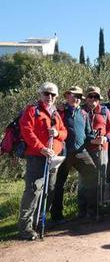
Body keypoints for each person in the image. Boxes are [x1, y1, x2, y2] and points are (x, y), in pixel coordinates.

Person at [18, 82, 67, 240]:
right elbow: (27, 131)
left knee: (49, 190)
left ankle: (39, 222)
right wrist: (41, 148)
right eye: (47, 93)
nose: (50, 97)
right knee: (33, 191)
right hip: (37, 157)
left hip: (53, 158)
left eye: (53, 95)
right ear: (41, 94)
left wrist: (57, 133)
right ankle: (25, 228)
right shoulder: (32, 110)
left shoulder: (56, 113)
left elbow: (64, 132)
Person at [51, 86, 97, 223]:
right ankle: (57, 216)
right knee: (58, 184)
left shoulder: (83, 114)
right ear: (67, 96)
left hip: (80, 152)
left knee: (93, 175)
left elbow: (88, 134)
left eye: (78, 97)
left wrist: (96, 139)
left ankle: (91, 212)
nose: (76, 99)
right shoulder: (59, 112)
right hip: (63, 153)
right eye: (73, 95)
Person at [83, 86, 110, 207]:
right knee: (85, 179)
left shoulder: (105, 111)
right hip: (84, 150)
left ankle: (101, 204)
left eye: (95, 96)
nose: (93, 99)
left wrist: (106, 138)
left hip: (102, 149)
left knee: (101, 176)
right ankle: (85, 207)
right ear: (86, 98)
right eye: (90, 96)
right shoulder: (81, 111)